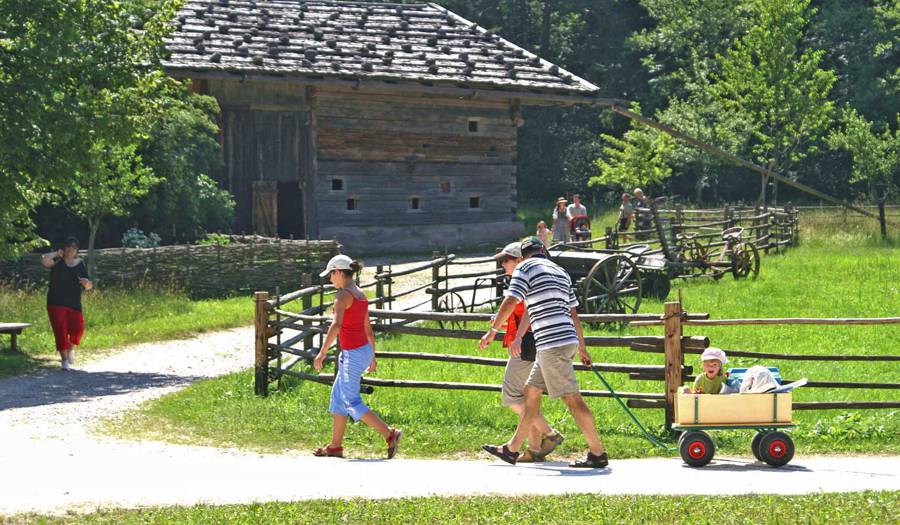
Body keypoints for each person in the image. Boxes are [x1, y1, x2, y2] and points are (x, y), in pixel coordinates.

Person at [479, 237, 609, 468]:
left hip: (552, 343)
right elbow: (573, 313)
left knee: (573, 400)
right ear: (543, 251)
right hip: (562, 340)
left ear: (523, 254)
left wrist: (492, 330)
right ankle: (512, 449)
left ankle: (597, 453)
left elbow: (511, 300)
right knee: (531, 392)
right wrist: (581, 347)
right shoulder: (560, 271)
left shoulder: (525, 268)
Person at [480, 242, 564, 463]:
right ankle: (535, 449)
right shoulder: (528, 279)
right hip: (527, 342)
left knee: (511, 397)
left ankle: (550, 433)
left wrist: (509, 333)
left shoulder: (524, 279)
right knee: (529, 398)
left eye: (506, 260)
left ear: (518, 260)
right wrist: (509, 327)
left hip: (525, 345)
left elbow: (528, 310)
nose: (503, 264)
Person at [313, 254, 402, 459]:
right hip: (362, 351)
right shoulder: (359, 294)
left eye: (330, 275)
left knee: (350, 400)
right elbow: (368, 329)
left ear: (338, 272)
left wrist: (322, 352)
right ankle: (335, 446)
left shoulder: (342, 296)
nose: (329, 279)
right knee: (338, 398)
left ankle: (390, 434)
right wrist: (372, 355)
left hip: (352, 354)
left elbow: (336, 325)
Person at [40, 237, 92, 370]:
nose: (70, 249)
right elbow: (44, 260)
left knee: (77, 330)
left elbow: (89, 285)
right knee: (60, 332)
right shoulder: (57, 262)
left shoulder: (81, 264)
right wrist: (56, 254)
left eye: (74, 247)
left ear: (77, 250)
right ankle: (64, 361)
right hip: (56, 302)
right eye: (68, 246)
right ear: (64, 248)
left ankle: (70, 349)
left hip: (74, 302)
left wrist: (86, 284)